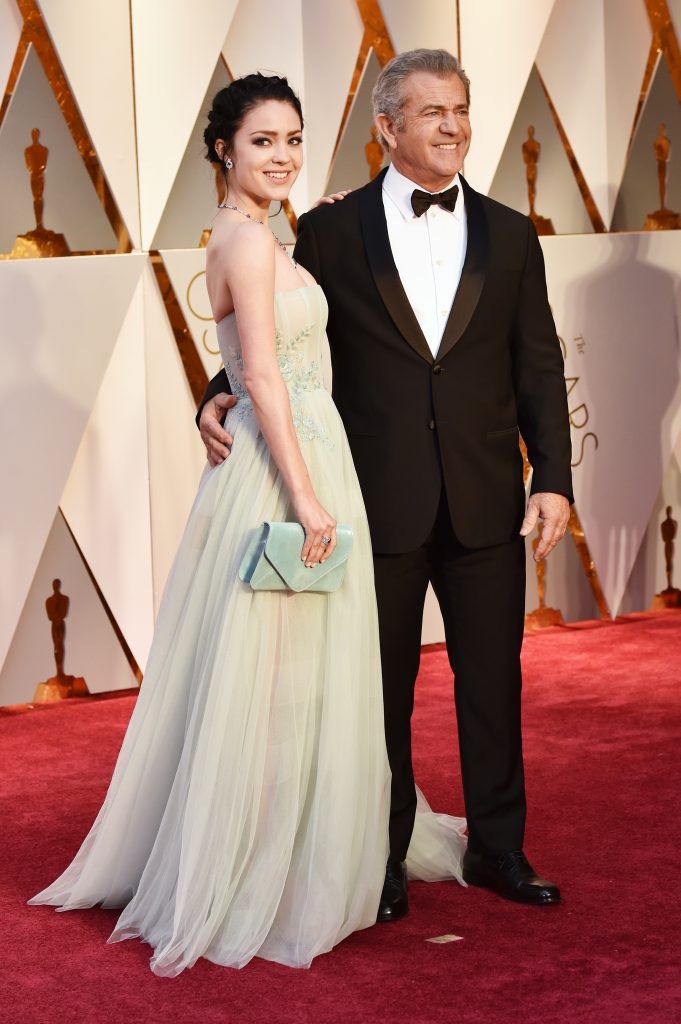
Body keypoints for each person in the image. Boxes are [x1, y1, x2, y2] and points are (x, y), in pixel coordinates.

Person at [29, 73, 465, 976]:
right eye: (263, 141)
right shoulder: (247, 243)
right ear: (223, 149)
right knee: (272, 678)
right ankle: (261, 867)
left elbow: (249, 361)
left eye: (294, 140)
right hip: (285, 469)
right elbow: (263, 376)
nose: (283, 156)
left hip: (302, 455)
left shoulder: (260, 237)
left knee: (293, 672)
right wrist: (304, 496)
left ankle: (294, 850)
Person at [199, 50, 573, 920]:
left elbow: (539, 363)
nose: (452, 126)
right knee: (377, 688)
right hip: (373, 498)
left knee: (494, 680)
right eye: (432, 111)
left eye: (461, 110)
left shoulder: (513, 234)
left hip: (486, 497)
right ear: (386, 128)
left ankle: (499, 849)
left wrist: (550, 475)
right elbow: (271, 337)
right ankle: (384, 854)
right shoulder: (329, 231)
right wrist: (212, 397)